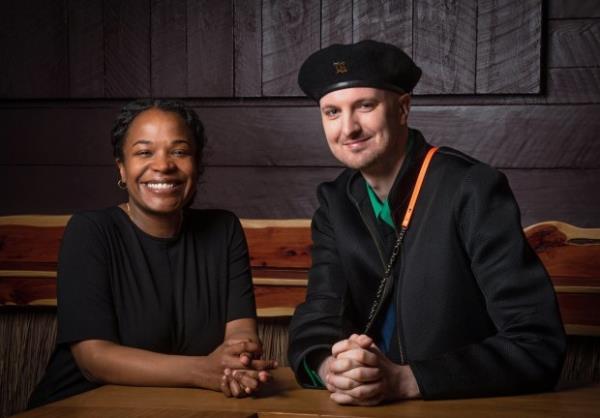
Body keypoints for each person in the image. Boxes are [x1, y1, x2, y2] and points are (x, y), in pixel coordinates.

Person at [287, 40, 566, 405]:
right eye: (332, 112)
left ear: (403, 109)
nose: (349, 128)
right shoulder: (335, 202)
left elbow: (538, 344)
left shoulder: (471, 188)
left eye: (365, 106)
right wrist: (331, 370)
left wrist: (408, 380)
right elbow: (317, 317)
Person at [29, 99, 276, 408]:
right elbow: (94, 358)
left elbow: (240, 331)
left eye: (180, 152)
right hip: (80, 408)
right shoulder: (90, 231)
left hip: (181, 409)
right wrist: (203, 371)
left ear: (197, 164)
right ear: (121, 166)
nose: (163, 165)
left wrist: (240, 357)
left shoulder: (223, 230)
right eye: (144, 152)